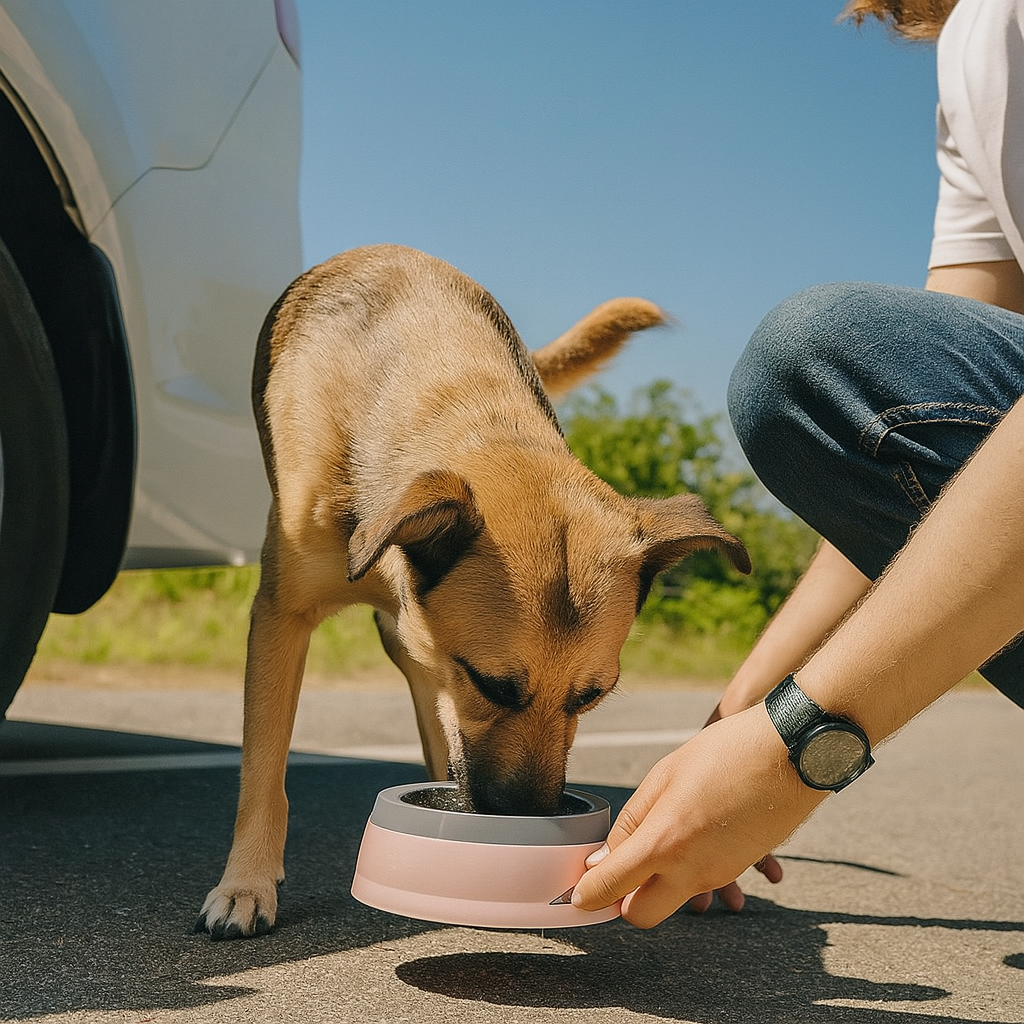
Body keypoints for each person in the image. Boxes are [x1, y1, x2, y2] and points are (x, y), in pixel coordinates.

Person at [571, 0, 1024, 928]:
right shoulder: (978, 43)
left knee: (813, 353)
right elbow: (917, 466)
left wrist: (797, 748)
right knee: (829, 384)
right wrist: (749, 708)